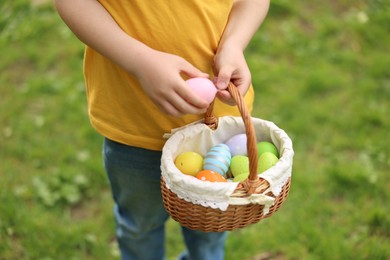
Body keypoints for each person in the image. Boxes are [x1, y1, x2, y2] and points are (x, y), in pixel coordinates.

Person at [54, 0, 270, 259]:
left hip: (217, 129)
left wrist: (233, 43)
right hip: (136, 128)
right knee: (140, 226)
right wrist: (140, 62)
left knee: (210, 229)